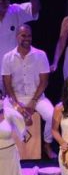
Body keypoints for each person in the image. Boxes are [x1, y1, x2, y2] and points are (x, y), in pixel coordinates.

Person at [1, 24, 55, 158]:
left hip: (37, 97)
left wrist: (33, 101)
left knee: (52, 115)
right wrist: (16, 104)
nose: (27, 38)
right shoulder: (8, 57)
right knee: (7, 117)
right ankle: (12, 149)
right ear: (17, 36)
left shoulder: (41, 55)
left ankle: (47, 144)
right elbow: (7, 84)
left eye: (29, 36)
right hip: (15, 97)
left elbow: (44, 82)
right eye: (23, 35)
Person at [0, 0, 40, 92]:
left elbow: (34, 9)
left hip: (13, 65)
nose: (2, 2)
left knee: (14, 101)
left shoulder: (15, 10)